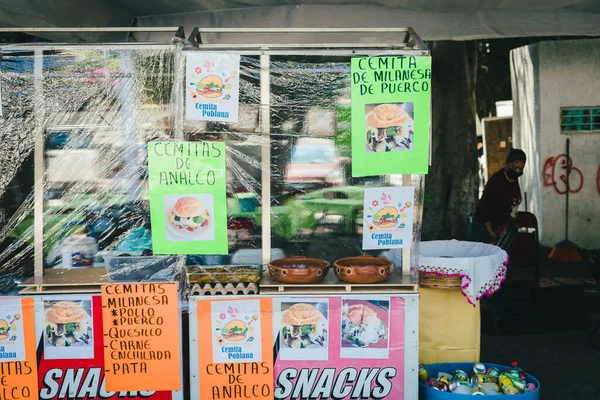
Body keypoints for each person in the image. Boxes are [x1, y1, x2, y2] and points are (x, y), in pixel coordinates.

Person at [471, 149, 526, 243]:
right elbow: (485, 207)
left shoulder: (513, 178)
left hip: (500, 226)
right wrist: (491, 232)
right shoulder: (496, 182)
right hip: (485, 228)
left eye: (520, 169)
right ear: (507, 164)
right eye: (514, 167)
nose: (517, 171)